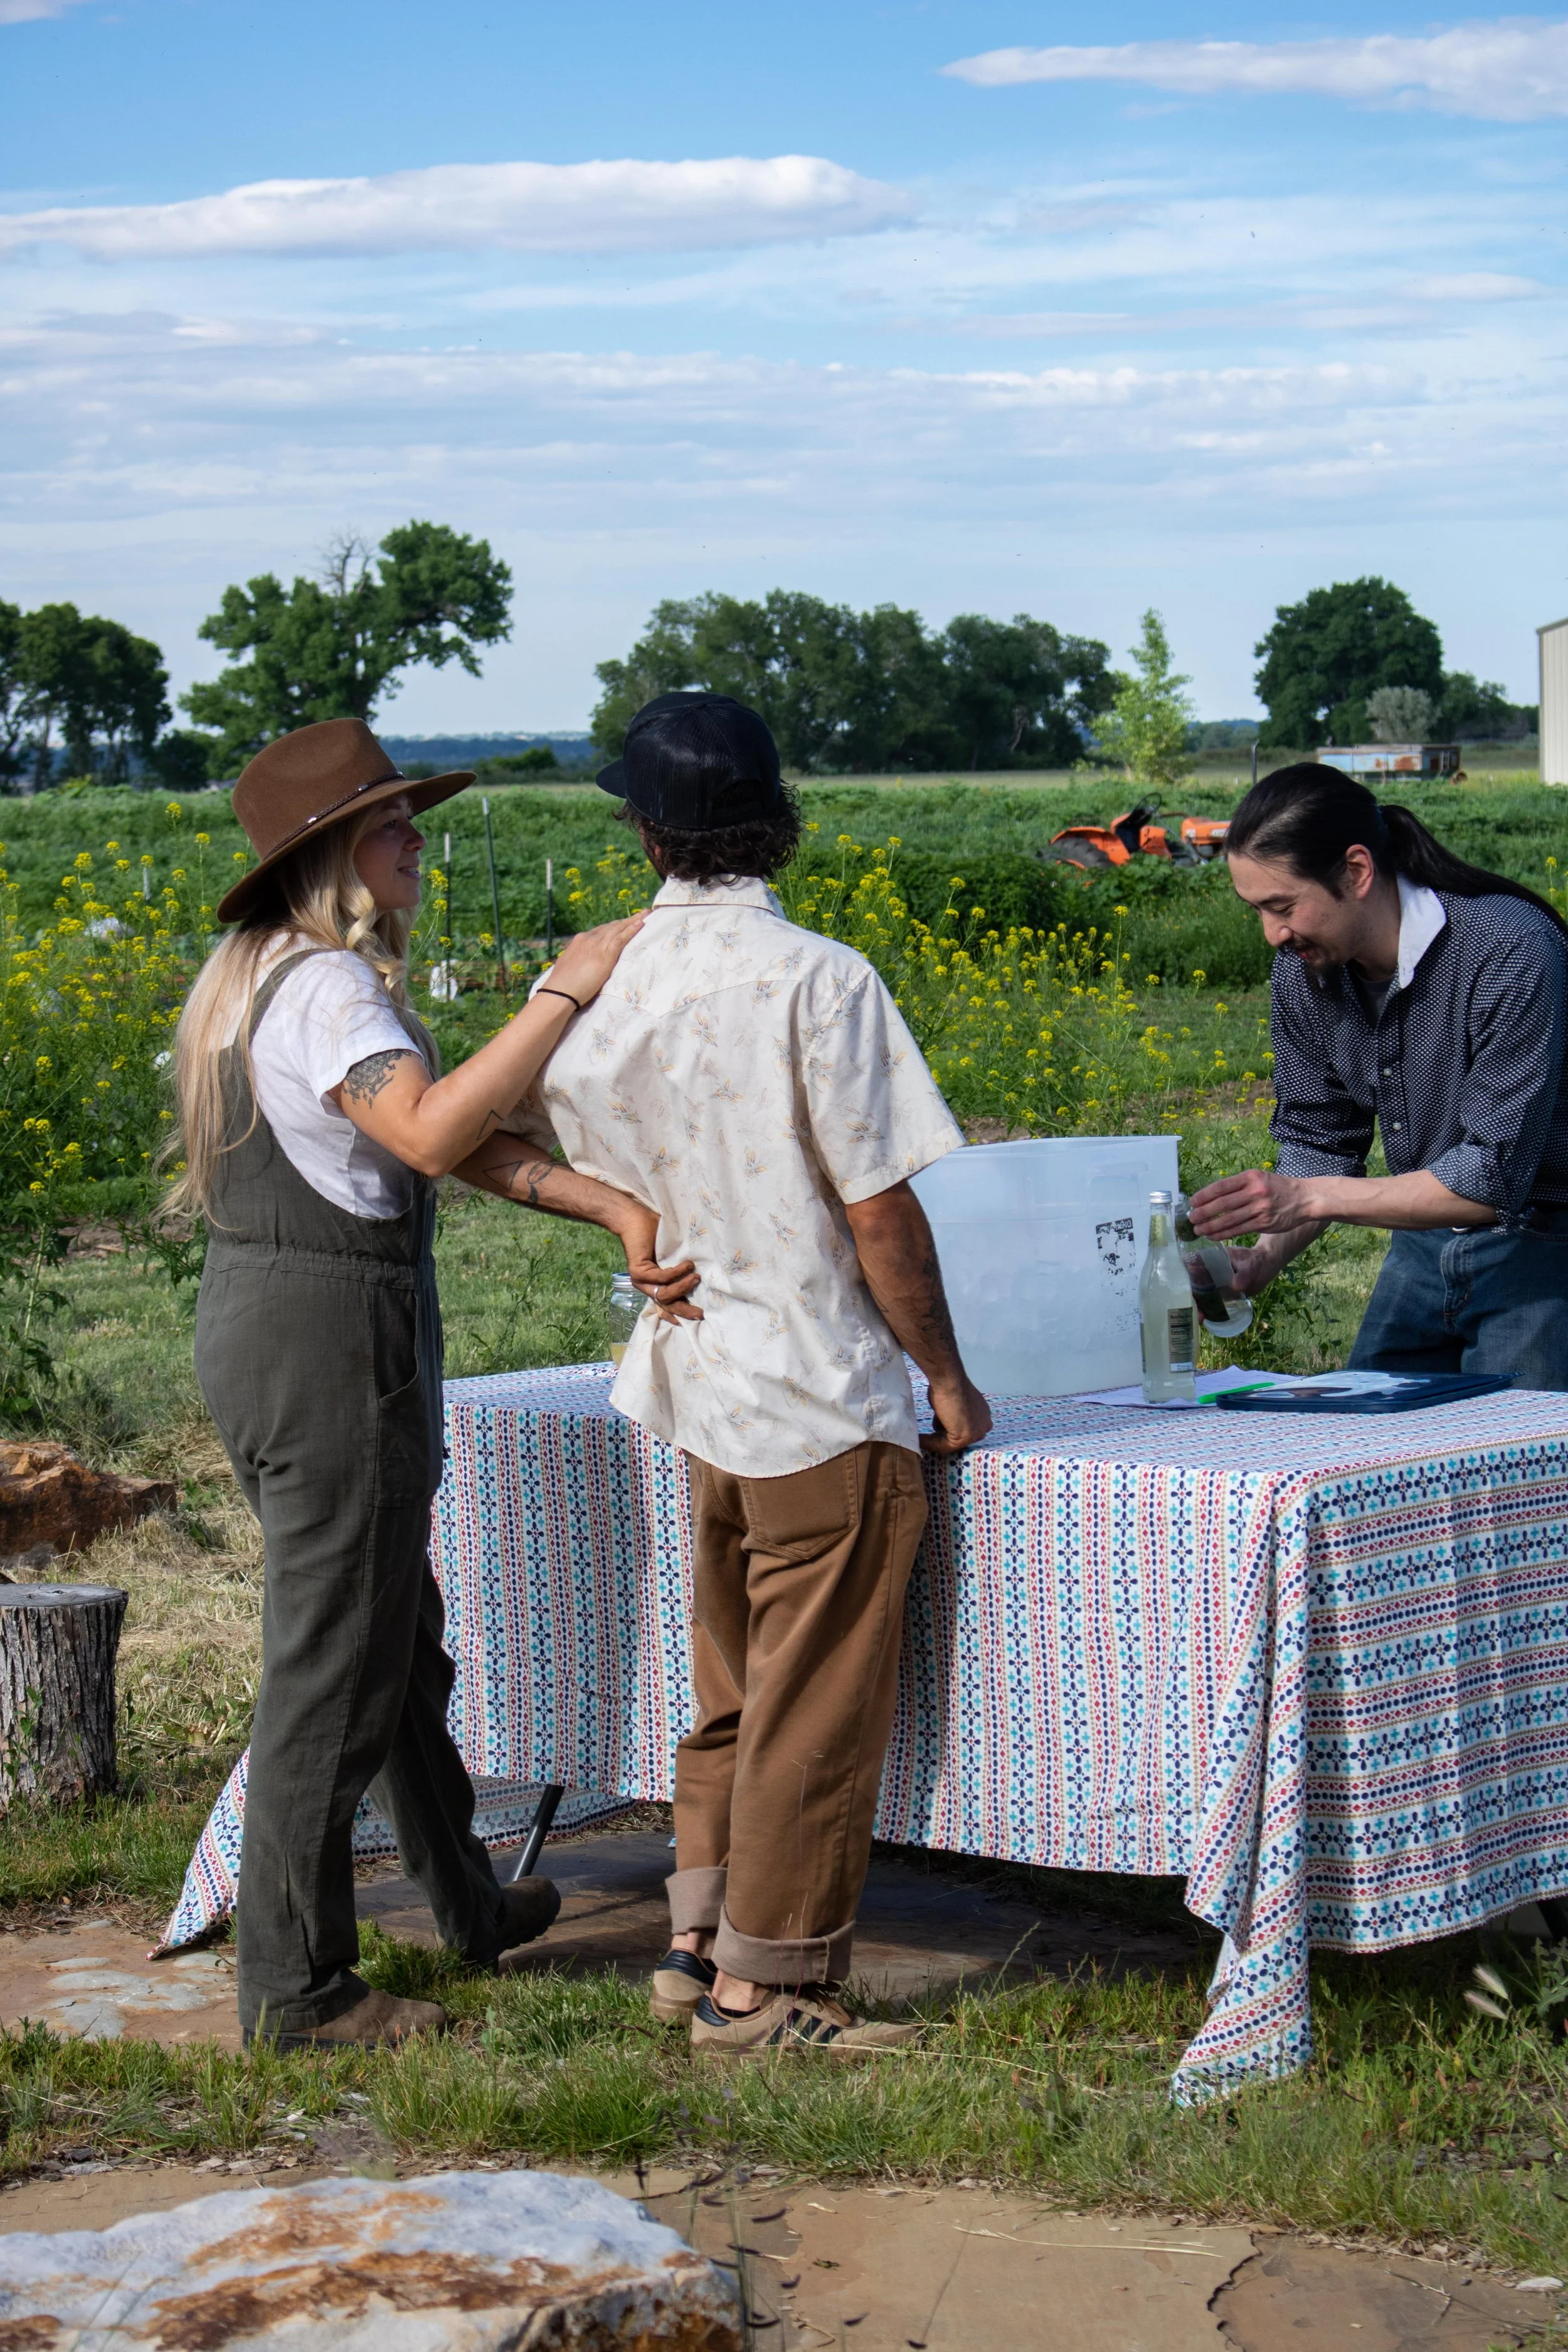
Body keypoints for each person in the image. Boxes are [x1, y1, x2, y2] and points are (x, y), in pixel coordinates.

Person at [169, 718, 696, 2049]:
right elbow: (426, 1127)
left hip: (278, 1320)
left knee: (394, 1638)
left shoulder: (259, 978)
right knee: (335, 1666)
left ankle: (464, 1898)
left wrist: (606, 1206)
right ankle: (298, 1990)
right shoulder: (331, 991)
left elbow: (450, 1143)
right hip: (328, 1337)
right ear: (336, 850)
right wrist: (561, 992)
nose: (416, 838)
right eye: (393, 821)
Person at [508, 690, 992, 2057]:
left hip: (692, 1380)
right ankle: (768, 1989)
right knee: (812, 1704)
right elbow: (877, 1211)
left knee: (731, 1682)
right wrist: (944, 1377)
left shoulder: (599, 977)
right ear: (774, 823)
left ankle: (693, 1938)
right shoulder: (820, 979)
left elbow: (461, 1129)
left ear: (644, 830)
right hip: (817, 1385)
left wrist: (612, 1214)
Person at [1187, 761, 1568, 1385]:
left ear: (1357, 871)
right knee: (1371, 1452)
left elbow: (1489, 1178)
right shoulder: (1303, 973)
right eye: (1254, 909)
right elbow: (1319, 1142)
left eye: (1282, 906)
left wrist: (1304, 1197)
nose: (1271, 934)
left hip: (1543, 1250)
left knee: (1517, 1470)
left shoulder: (1509, 949)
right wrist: (1262, 1258)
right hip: (1421, 1252)